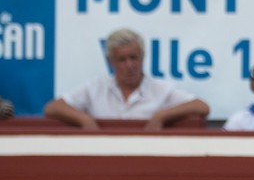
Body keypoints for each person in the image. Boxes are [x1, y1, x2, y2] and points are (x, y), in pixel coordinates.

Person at [43, 29, 210, 129]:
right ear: (110, 61)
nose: (129, 65)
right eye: (122, 60)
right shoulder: (95, 87)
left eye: (133, 57)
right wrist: (84, 119)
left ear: (143, 57)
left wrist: (162, 115)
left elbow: (202, 107)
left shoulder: (160, 89)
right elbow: (52, 108)